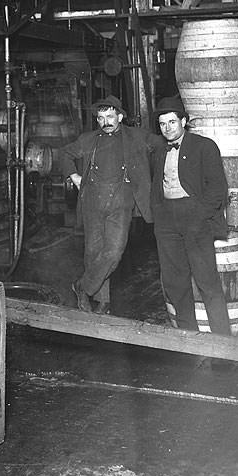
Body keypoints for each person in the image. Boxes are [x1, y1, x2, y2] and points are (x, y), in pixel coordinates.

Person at [58, 95, 164, 314]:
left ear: (120, 116)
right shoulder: (88, 140)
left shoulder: (137, 136)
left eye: (109, 117)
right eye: (100, 118)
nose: (105, 122)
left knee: (114, 252)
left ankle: (83, 287)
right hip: (93, 202)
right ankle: (103, 301)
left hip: (121, 202)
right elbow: (65, 154)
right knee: (94, 252)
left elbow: (163, 144)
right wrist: (75, 177)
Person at [150, 95, 232, 337]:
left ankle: (223, 345)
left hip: (195, 219)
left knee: (207, 283)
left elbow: (218, 188)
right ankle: (189, 342)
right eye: (163, 124)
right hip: (167, 221)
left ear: (183, 121)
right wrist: (158, 215)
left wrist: (199, 215)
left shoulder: (204, 146)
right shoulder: (158, 150)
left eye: (172, 122)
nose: (167, 128)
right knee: (176, 284)